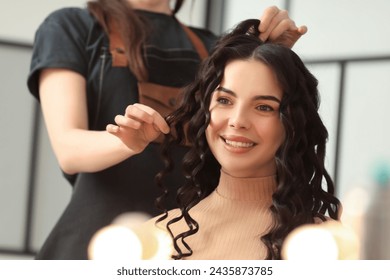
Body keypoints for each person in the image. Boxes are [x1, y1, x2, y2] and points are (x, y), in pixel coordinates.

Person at [27, 0, 307, 260]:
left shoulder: (212, 46)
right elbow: (69, 149)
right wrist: (130, 142)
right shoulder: (72, 27)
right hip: (95, 243)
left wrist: (268, 57)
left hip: (189, 239)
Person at [111, 18, 342, 260]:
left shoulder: (326, 245)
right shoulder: (152, 240)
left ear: (292, 123)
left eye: (264, 107)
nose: (237, 120)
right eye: (224, 101)